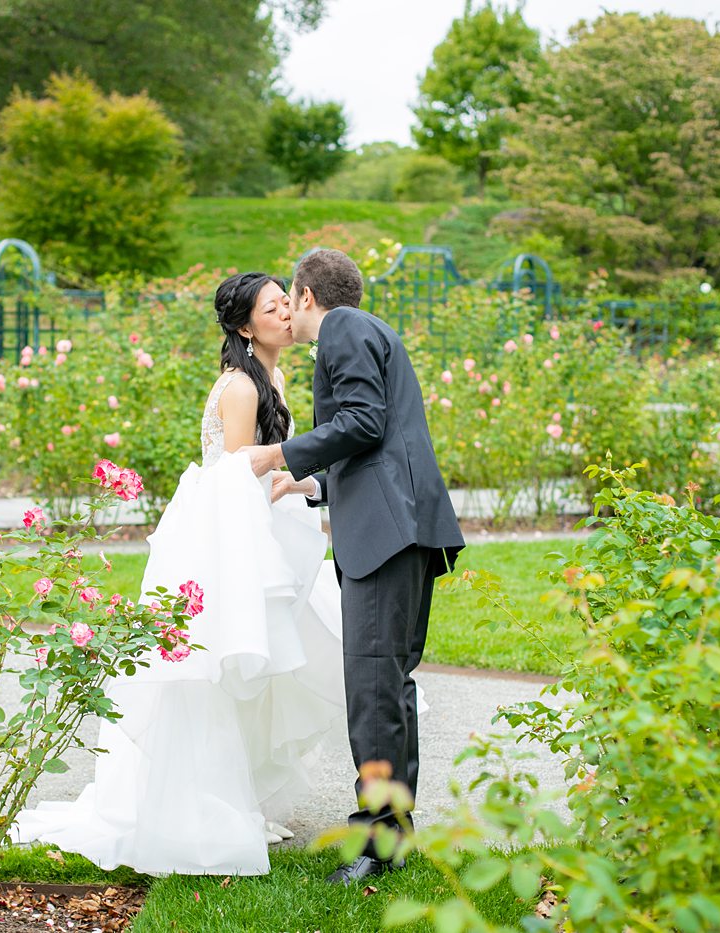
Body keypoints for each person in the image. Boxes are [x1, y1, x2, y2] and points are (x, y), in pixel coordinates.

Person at [11, 272, 346, 875]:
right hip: (228, 537)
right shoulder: (241, 388)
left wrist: (301, 490)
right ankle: (204, 804)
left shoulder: (275, 375)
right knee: (221, 667)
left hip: (264, 528)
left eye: (286, 304)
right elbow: (237, 478)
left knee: (266, 664)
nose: (288, 315)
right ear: (247, 327)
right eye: (274, 308)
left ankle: (239, 792)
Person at [243, 248, 466, 884]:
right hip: (403, 528)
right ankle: (392, 834)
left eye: (290, 298)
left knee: (372, 689)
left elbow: (362, 422)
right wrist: (306, 483)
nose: (288, 311)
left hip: (387, 537)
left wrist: (279, 453)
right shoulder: (370, 332)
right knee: (389, 685)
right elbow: (377, 439)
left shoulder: (343, 328)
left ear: (307, 296)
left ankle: (378, 840)